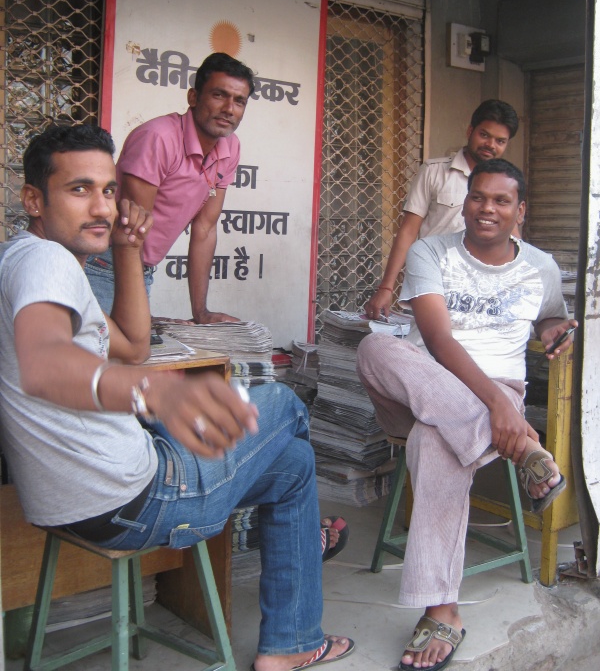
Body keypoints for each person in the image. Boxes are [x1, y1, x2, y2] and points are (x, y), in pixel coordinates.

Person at [0, 124, 354, 671]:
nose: (102, 207)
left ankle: (291, 642)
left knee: (294, 464)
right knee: (283, 405)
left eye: (109, 190)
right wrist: (157, 392)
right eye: (79, 189)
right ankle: (294, 613)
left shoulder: (32, 262)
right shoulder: (44, 261)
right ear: (33, 200)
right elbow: (45, 361)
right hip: (136, 500)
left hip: (73, 506)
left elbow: (134, 346)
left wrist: (127, 248)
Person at [356, 159, 572, 671]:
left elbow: (551, 314)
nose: (487, 209)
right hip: (427, 389)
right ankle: (522, 448)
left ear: (521, 211)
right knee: (373, 348)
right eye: (478, 197)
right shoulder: (431, 251)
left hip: (497, 394)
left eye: (501, 200)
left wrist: (552, 330)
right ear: (465, 202)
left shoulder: (541, 266)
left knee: (436, 441)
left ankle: (442, 611)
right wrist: (496, 411)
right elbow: (436, 339)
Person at [85, 52, 254, 323]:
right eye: (219, 95)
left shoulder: (230, 147)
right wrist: (140, 314)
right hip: (104, 262)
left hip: (140, 266)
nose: (229, 109)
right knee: (106, 347)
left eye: (239, 101)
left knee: (136, 344)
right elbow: (133, 229)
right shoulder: (158, 137)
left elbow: (205, 228)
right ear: (193, 97)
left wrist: (200, 312)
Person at [364, 99, 519, 320]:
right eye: (484, 135)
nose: (490, 145)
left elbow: (514, 238)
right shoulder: (433, 172)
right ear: (470, 131)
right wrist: (387, 287)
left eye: (500, 141)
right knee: (430, 339)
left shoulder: (509, 184)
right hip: (433, 284)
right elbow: (408, 231)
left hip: (482, 291)